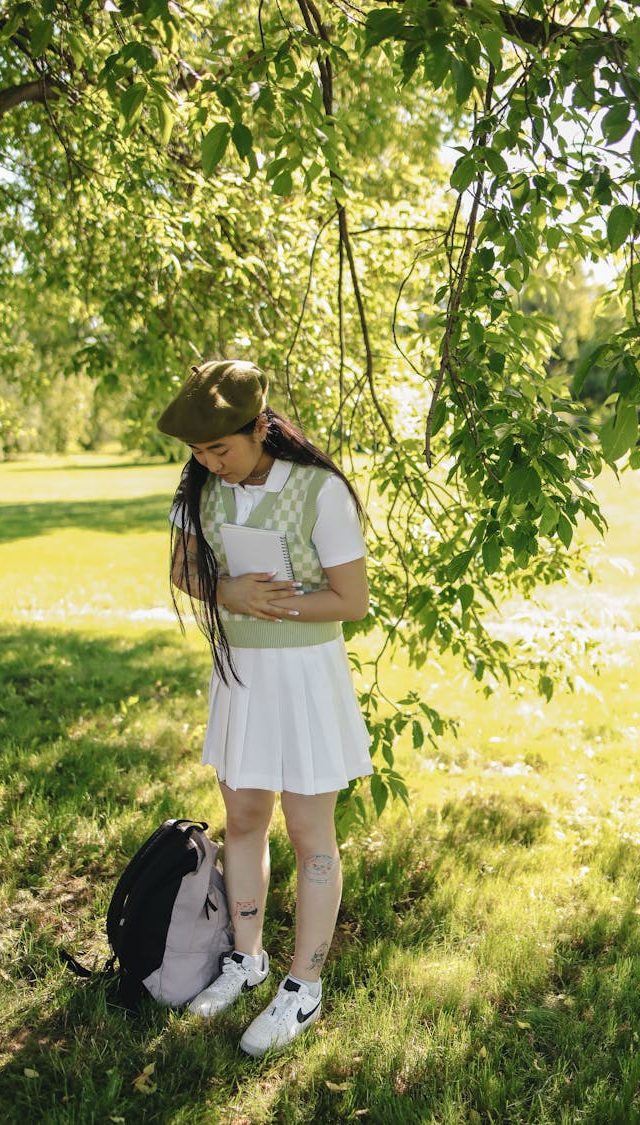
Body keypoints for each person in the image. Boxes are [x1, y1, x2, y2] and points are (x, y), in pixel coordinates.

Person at [158, 358, 372, 1057]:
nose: (209, 463)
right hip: (242, 678)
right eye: (197, 451)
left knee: (312, 832)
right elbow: (185, 569)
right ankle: (245, 960)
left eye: (220, 448)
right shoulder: (201, 490)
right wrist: (230, 594)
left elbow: (351, 599)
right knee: (243, 818)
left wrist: (273, 602)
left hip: (307, 681)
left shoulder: (319, 490)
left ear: (261, 427)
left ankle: (302, 986)